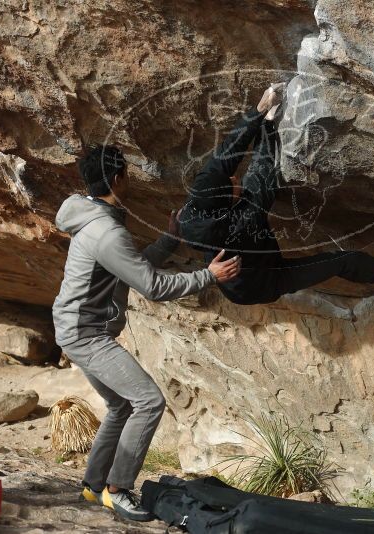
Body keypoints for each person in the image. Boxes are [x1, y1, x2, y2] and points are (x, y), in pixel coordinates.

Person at [52, 145, 241, 521]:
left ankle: (93, 486)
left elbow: (131, 267)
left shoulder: (92, 217)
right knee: (148, 402)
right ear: (119, 178)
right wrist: (210, 276)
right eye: (128, 173)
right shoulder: (107, 230)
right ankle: (118, 489)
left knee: (122, 405)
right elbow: (152, 286)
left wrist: (169, 240)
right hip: (86, 334)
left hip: (73, 327)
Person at [178, 84, 374, 306]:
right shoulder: (244, 220)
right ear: (229, 203)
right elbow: (263, 170)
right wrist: (269, 125)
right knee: (342, 261)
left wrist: (260, 109)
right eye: (232, 185)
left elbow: (227, 152)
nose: (234, 177)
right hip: (260, 285)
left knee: (247, 183)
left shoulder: (198, 201)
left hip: (246, 257)